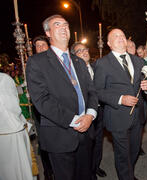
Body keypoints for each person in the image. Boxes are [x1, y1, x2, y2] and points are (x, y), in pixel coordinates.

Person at [26, 14, 98, 180]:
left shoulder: (78, 62)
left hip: (86, 132)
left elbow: (92, 92)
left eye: (66, 24)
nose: (64, 28)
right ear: (48, 33)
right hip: (60, 135)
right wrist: (74, 120)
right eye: (57, 25)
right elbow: (42, 100)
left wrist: (90, 115)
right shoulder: (37, 62)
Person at [94, 28, 147, 180]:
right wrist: (120, 99)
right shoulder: (102, 63)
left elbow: (142, 84)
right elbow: (97, 91)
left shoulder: (138, 61)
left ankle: (129, 174)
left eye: (123, 36)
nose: (120, 38)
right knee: (122, 154)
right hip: (117, 116)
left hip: (137, 116)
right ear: (109, 44)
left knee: (134, 150)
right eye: (115, 36)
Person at [70, 42, 107, 178]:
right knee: (86, 146)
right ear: (74, 56)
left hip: (100, 111)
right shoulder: (72, 72)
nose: (85, 52)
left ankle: (95, 166)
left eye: (85, 49)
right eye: (80, 51)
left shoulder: (96, 67)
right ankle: (87, 172)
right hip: (84, 115)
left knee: (98, 142)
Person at [0, 72, 33, 180]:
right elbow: (11, 106)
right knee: (17, 171)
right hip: (11, 132)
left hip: (7, 132)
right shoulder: (3, 79)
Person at [32, 34, 54, 180]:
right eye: (37, 46)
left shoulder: (55, 63)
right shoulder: (33, 64)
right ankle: (48, 172)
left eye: (43, 45)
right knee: (45, 142)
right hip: (41, 111)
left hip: (57, 108)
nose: (40, 48)